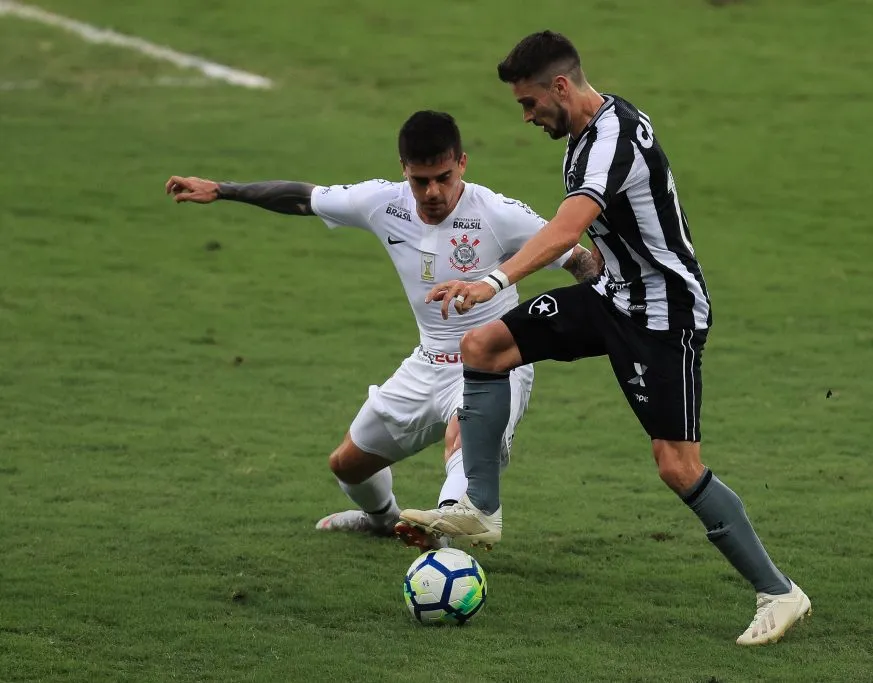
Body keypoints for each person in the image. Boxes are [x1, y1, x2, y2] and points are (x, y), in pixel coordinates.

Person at [398, 34, 811, 644]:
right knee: (484, 347)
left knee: (677, 465)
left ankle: (779, 592)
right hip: (614, 296)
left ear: (561, 87)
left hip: (663, 314)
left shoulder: (613, 137)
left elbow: (568, 227)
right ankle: (480, 507)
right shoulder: (584, 136)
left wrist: (493, 280)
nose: (527, 116)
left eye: (530, 103)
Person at [165, 110, 599, 549]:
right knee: (347, 465)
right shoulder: (383, 203)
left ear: (462, 164)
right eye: (420, 181)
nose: (432, 192)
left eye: (444, 178)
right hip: (426, 365)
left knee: (462, 438)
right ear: (403, 170)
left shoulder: (498, 214)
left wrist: (613, 320)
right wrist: (223, 190)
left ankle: (447, 536)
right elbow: (304, 197)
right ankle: (382, 520)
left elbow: (581, 261)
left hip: (492, 365)